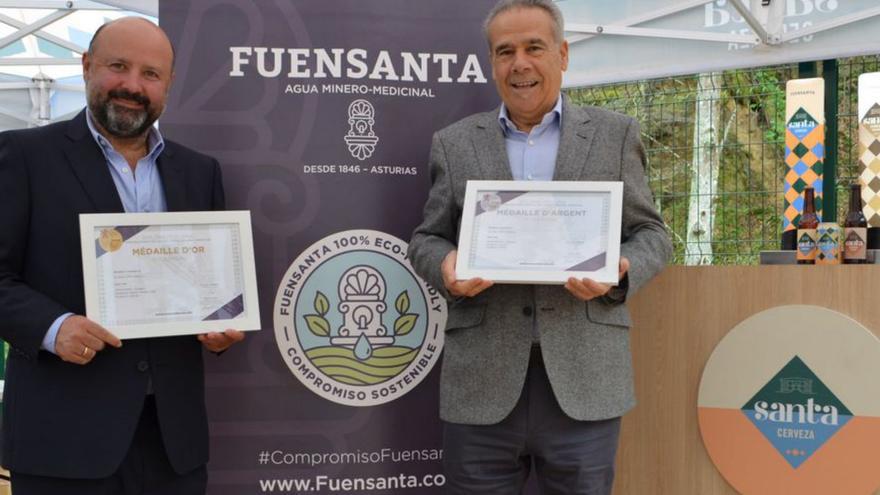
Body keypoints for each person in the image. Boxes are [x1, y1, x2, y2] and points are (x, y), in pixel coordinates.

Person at [408, 1, 672, 493]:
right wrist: (444, 265)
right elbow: (428, 236)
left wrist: (620, 268)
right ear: (492, 63)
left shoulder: (616, 135)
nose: (520, 64)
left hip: (584, 379)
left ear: (564, 54)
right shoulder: (454, 143)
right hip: (482, 382)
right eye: (505, 52)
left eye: (534, 47)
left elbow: (652, 234)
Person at [0, 17, 244, 494]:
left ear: (168, 85)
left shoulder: (199, 172)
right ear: (87, 66)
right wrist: (53, 328)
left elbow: (212, 285)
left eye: (150, 74)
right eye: (117, 66)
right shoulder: (22, 156)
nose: (132, 85)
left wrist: (221, 327)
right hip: (62, 441)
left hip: (173, 444)